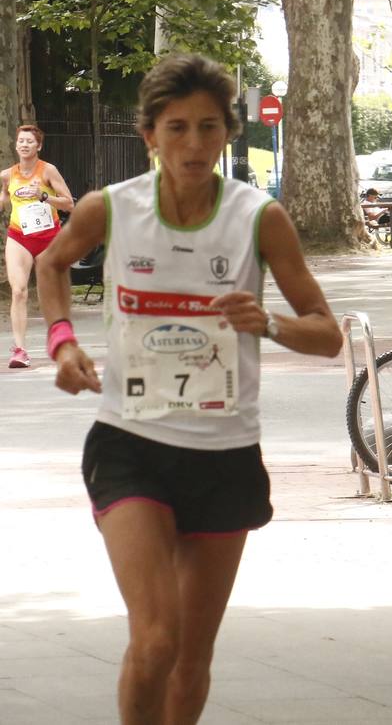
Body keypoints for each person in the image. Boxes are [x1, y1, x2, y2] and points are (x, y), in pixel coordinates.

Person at [35, 53, 342, 724]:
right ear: (149, 135)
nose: (194, 145)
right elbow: (50, 265)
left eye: (208, 128)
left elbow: (328, 334)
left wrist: (271, 324)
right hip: (130, 444)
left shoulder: (259, 218)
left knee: (192, 659)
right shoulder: (109, 208)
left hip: (225, 454)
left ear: (228, 134)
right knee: (155, 641)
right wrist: (62, 343)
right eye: (177, 129)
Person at [2, 124, 74, 367]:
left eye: (29, 142)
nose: (24, 144)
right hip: (19, 237)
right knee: (19, 290)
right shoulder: (7, 175)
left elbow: (69, 204)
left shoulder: (48, 171)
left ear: (38, 146)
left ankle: (60, 339)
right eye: (21, 141)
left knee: (50, 292)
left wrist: (43, 196)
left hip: (48, 238)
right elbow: (2, 201)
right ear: (16, 145)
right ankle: (20, 350)